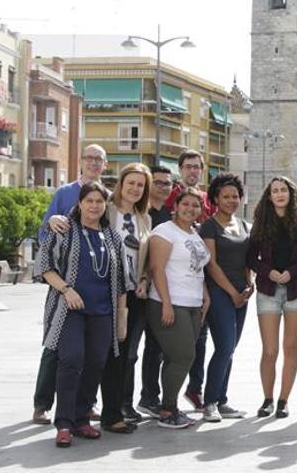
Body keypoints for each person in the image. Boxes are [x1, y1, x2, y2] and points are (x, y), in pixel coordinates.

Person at [35, 182, 127, 447]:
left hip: (103, 311)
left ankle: (81, 418)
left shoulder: (112, 237)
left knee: (96, 363)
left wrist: (121, 317)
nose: (95, 206)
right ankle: (63, 424)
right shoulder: (64, 229)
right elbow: (44, 266)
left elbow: (121, 280)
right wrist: (66, 290)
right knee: (71, 360)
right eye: (89, 201)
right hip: (70, 310)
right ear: (80, 203)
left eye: (100, 202)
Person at [32, 144, 108, 425]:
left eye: (99, 159)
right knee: (55, 348)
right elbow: (44, 232)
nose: (93, 163)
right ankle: (42, 404)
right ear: (81, 161)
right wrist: (51, 220)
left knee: (89, 352)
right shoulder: (64, 193)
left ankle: (86, 405)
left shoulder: (105, 196)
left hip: (95, 290)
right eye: (89, 158)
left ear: (105, 164)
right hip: (63, 285)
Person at [146, 187, 211, 429]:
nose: (190, 209)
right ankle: (167, 409)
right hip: (170, 303)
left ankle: (170, 404)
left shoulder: (195, 234)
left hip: (193, 303)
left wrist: (205, 296)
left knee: (177, 357)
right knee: (185, 355)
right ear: (176, 206)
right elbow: (157, 269)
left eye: (196, 205)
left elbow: (198, 268)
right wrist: (166, 303)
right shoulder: (164, 231)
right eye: (186, 204)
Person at [246, 176, 297, 419]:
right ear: (269, 196)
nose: (280, 194)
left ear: (292, 194)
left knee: (291, 347)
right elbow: (251, 258)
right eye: (275, 191)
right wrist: (268, 272)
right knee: (270, 350)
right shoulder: (261, 222)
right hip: (267, 291)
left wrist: (291, 273)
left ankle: (284, 400)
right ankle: (267, 399)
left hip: (296, 291)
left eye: (284, 190)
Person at [99, 163, 153, 433]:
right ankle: (102, 411)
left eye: (140, 185)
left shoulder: (144, 218)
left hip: (134, 294)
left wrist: (144, 280)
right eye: (131, 182)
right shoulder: (104, 210)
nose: (135, 188)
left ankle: (117, 408)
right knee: (105, 352)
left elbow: (145, 260)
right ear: (120, 183)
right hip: (104, 292)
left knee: (126, 353)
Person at [165, 150, 216, 411]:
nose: (193, 172)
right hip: (173, 284)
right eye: (188, 167)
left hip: (200, 279)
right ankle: (160, 398)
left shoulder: (207, 200)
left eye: (197, 167)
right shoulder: (171, 196)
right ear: (180, 169)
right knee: (169, 346)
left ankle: (195, 389)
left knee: (200, 339)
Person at [200, 173, 254, 422]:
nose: (232, 200)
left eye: (235, 196)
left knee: (230, 348)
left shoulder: (243, 225)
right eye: (226, 197)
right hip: (220, 294)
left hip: (241, 295)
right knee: (223, 347)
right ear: (215, 199)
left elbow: (247, 260)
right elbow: (211, 264)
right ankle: (209, 402)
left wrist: (249, 284)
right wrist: (232, 293)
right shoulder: (209, 226)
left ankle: (222, 401)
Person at [134, 166, 173, 417]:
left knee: (156, 347)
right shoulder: (139, 212)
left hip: (161, 290)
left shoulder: (170, 214)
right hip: (138, 288)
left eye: (167, 184)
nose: (162, 187)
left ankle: (149, 397)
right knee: (129, 351)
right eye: (157, 182)